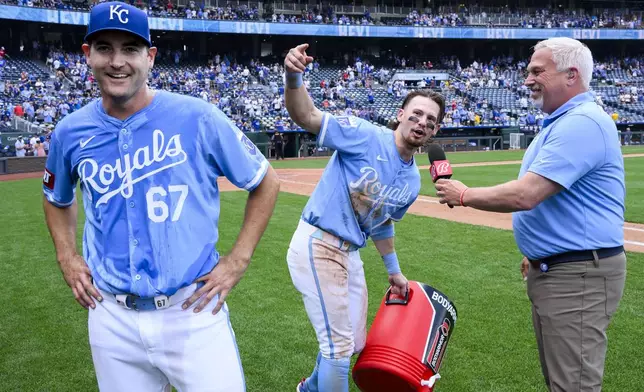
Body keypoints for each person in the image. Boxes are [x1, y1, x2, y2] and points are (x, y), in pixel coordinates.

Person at [41, 2, 280, 391]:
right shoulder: (71, 131)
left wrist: (238, 260)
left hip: (192, 311)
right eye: (104, 48)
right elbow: (56, 197)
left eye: (130, 49)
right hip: (111, 317)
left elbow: (265, 181)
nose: (117, 61)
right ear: (88, 56)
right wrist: (66, 255)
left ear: (150, 57)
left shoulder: (197, 116)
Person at [435, 37, 626, 392]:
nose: (527, 79)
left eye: (537, 71)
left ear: (571, 75)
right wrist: (538, 251)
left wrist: (463, 194)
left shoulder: (583, 122)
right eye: (528, 71)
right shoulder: (561, 122)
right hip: (561, 267)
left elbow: (527, 195)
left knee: (574, 385)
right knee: (562, 379)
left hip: (577, 273)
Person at [283, 43, 445, 392]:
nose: (422, 123)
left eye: (430, 121)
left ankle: (309, 389)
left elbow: (380, 221)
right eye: (416, 114)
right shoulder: (363, 134)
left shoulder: (413, 179)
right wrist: (294, 76)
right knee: (339, 349)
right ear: (401, 114)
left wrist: (394, 270)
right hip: (318, 243)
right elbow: (306, 116)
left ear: (434, 133)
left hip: (350, 253)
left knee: (354, 344)